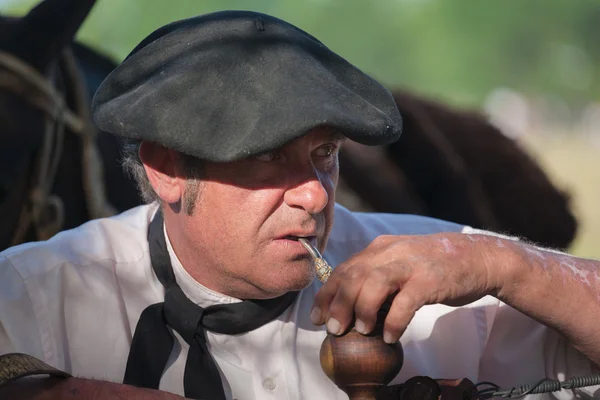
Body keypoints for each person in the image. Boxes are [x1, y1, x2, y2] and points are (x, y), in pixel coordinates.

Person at [0, 10, 599, 400]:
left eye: (325, 152)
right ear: (169, 170)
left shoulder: (445, 278)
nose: (315, 193)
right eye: (265, 156)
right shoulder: (31, 293)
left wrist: (506, 265)